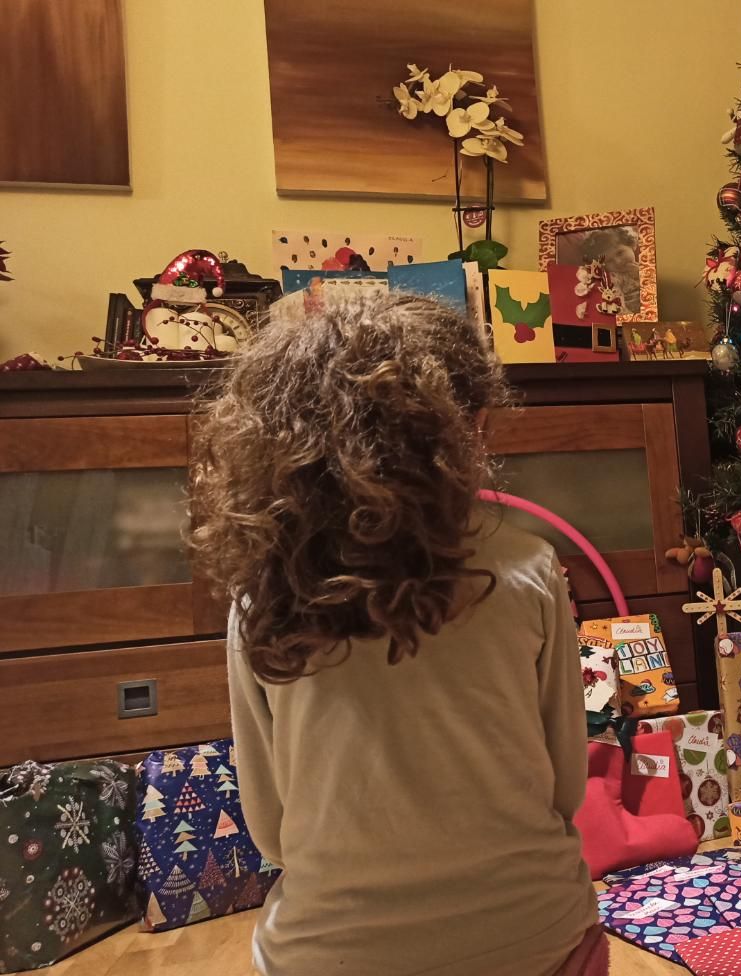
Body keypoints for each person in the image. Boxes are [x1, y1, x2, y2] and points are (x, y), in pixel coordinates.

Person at [190, 292, 606, 976]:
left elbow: (270, 831)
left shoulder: (259, 594)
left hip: (329, 956)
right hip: (535, 941)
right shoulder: (530, 568)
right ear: (468, 430)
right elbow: (566, 789)